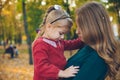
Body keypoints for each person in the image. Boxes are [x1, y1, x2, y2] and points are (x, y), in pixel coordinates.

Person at [63, 2, 120, 80]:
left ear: (93, 27)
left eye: (81, 27)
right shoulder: (86, 47)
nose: (77, 31)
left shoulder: (97, 59)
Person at [32, 5, 84, 80]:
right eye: (60, 33)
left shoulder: (58, 42)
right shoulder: (40, 44)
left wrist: (83, 39)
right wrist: (62, 73)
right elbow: (41, 67)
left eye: (64, 34)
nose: (62, 37)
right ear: (49, 26)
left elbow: (72, 44)